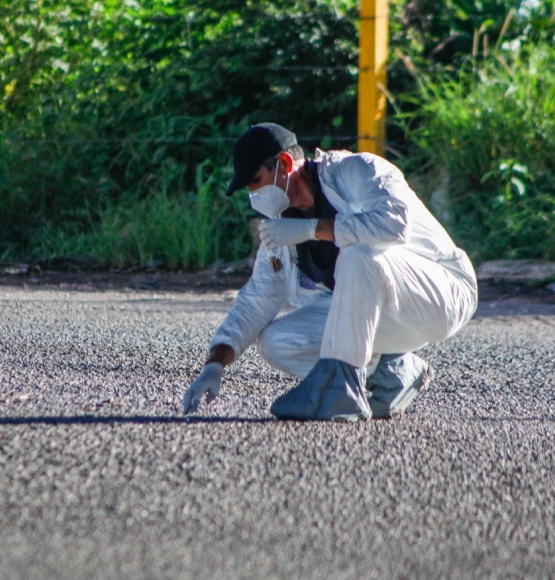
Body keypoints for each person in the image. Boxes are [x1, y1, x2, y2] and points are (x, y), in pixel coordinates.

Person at [181, 123, 478, 421]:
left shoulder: (358, 171)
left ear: (284, 163)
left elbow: (393, 225)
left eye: (256, 181)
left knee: (359, 252)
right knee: (277, 342)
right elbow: (257, 299)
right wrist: (215, 364)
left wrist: (313, 229)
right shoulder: (281, 228)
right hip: (388, 321)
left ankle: (343, 392)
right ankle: (392, 370)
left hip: (444, 293)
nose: (254, 195)